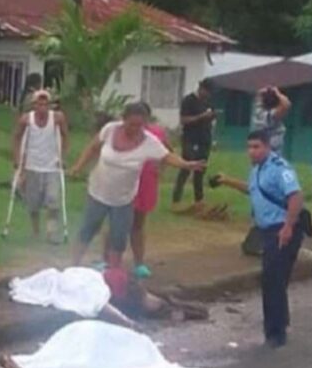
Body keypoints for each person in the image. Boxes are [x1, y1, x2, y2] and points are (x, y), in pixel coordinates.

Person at [70, 101, 206, 267]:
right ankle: (72, 266)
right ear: (123, 120)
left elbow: (167, 156)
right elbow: (92, 147)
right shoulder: (110, 129)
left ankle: (114, 273)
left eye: (140, 125)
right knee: (87, 230)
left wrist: (186, 164)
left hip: (124, 200)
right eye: (131, 124)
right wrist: (78, 166)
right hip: (98, 193)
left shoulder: (150, 142)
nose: (135, 129)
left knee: (118, 238)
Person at [213, 130, 304, 348]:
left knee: (273, 279)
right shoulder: (256, 171)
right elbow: (252, 191)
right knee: (273, 279)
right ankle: (278, 323)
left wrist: (288, 226)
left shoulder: (280, 168)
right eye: (249, 147)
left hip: (281, 229)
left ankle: (276, 332)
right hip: (266, 230)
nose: (252, 151)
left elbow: (295, 196)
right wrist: (227, 181)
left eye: (256, 147)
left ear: (267, 147)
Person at [13, 90, 69, 243]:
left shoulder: (57, 118)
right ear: (34, 105)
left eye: (45, 104)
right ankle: (35, 231)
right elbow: (17, 137)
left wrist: (62, 157)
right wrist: (18, 159)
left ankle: (51, 233)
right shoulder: (26, 119)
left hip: (52, 166)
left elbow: (65, 135)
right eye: (39, 103)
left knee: (53, 200)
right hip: (32, 166)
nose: (42, 107)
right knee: (33, 203)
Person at [131, 103, 168, 279]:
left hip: (146, 182)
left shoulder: (157, 133)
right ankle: (108, 260)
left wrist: (160, 169)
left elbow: (167, 153)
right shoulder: (124, 132)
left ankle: (139, 263)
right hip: (125, 181)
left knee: (138, 223)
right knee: (118, 222)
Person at [173, 78, 216, 208]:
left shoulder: (208, 102)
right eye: (207, 91)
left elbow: (211, 120)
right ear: (201, 88)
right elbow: (184, 120)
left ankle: (199, 200)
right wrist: (200, 117)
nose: (208, 95)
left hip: (205, 138)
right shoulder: (189, 100)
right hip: (190, 138)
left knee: (201, 169)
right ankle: (176, 200)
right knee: (186, 167)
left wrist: (212, 118)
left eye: (210, 93)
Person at [251, 85, 292, 155]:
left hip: (260, 155)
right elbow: (286, 104)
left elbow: (258, 98)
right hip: (271, 155)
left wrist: (263, 92)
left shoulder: (258, 113)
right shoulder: (269, 117)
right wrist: (278, 93)